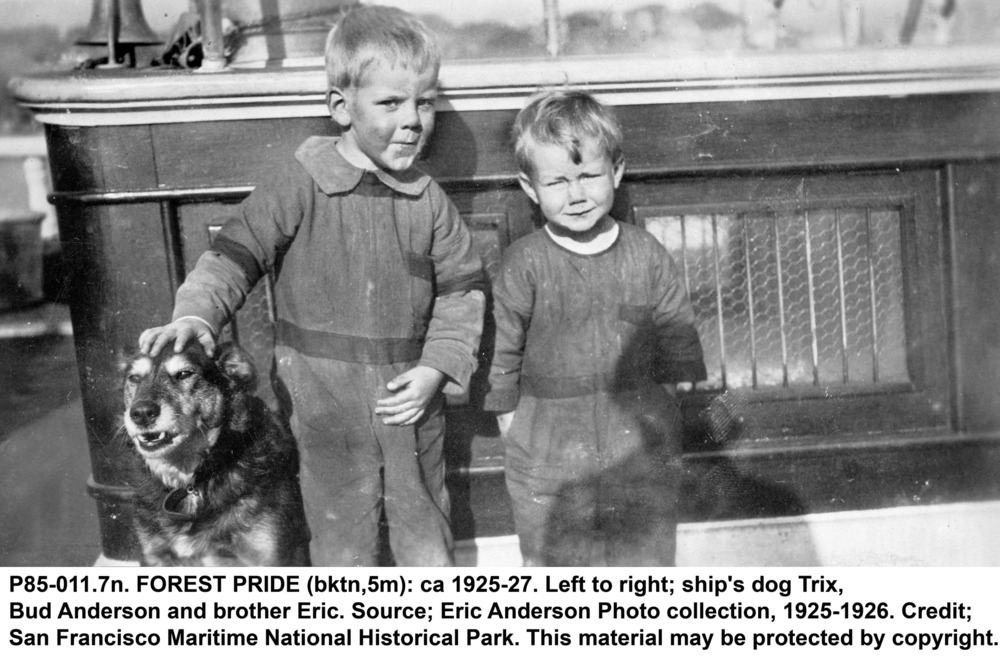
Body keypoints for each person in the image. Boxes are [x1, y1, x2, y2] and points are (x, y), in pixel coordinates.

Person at [138, 5, 486, 566]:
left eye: (426, 102)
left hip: (410, 406)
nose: (415, 119)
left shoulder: (431, 202)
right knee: (339, 541)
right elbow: (232, 256)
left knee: (425, 534)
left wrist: (436, 369)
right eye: (391, 103)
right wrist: (196, 315)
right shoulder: (299, 183)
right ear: (340, 107)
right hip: (322, 407)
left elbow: (461, 291)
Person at [483, 90, 706, 566]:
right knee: (555, 561)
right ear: (530, 187)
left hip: (636, 446)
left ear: (616, 173)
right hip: (549, 447)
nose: (577, 194)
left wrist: (665, 414)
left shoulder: (645, 253)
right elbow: (501, 351)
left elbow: (676, 336)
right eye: (558, 181)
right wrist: (511, 421)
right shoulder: (524, 263)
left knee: (643, 560)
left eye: (588, 176)